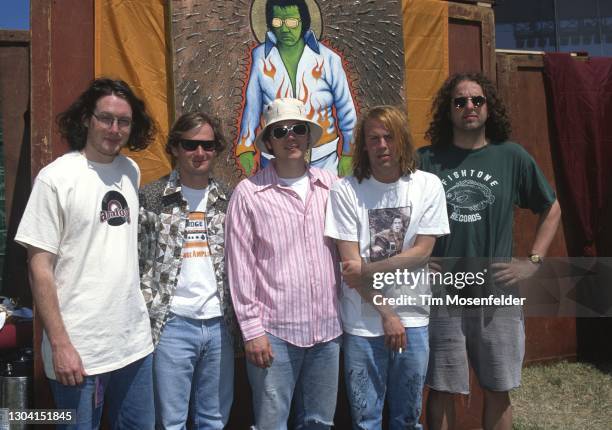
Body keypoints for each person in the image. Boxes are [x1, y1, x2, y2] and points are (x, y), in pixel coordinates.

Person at [419, 72, 562, 430]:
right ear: (448, 110)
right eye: (460, 101)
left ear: (488, 107)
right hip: (442, 297)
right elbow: (398, 212)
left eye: (477, 100)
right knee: (441, 390)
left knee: (499, 389)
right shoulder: (427, 160)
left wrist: (533, 262)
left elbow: (552, 208)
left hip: (497, 296)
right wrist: (418, 260)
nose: (469, 106)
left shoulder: (510, 156)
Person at [15, 78, 156, 429]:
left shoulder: (129, 171)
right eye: (105, 118)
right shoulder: (55, 179)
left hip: (133, 345)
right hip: (79, 352)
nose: (114, 129)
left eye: (123, 122)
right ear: (86, 119)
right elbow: (39, 267)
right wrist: (61, 345)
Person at [325, 105, 449, 429]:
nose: (382, 145)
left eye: (389, 137)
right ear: (364, 145)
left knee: (407, 418)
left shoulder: (428, 185)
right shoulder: (346, 191)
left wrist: (370, 268)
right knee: (366, 420)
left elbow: (423, 252)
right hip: (363, 325)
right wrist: (388, 314)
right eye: (374, 138)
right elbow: (350, 268)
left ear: (402, 140)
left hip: (415, 320)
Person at [226, 98, 342, 429]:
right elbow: (241, 267)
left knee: (320, 423)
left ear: (308, 137)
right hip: (274, 334)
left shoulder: (332, 187)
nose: (290, 137)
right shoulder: (249, 194)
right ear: (269, 143)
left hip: (328, 332)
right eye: (280, 131)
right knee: (271, 423)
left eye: (298, 129)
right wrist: (252, 331)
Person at [138, 112, 240, 429]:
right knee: (170, 422)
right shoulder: (151, 197)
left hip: (219, 324)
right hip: (170, 325)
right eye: (190, 145)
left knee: (214, 420)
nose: (200, 153)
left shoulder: (231, 199)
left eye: (208, 146)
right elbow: (136, 260)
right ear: (175, 148)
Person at [236, 0, 357, 176]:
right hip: (274, 159)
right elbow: (253, 105)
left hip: (323, 159)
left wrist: (349, 151)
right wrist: (245, 145)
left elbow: (346, 108)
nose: (285, 29)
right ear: (270, 23)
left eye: (292, 22)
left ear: (304, 22)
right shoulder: (261, 58)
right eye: (278, 22)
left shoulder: (329, 59)